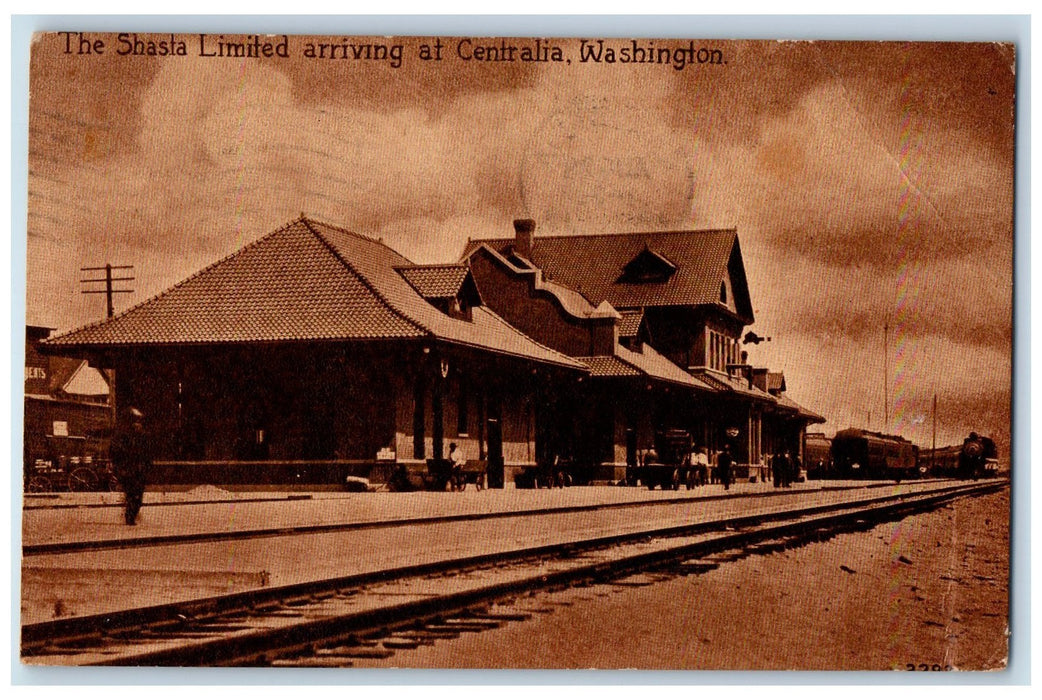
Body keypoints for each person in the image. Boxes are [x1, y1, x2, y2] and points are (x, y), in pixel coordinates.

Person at [109, 407, 152, 525]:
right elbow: (115, 452)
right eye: (135, 421)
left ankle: (132, 514)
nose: (137, 424)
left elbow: (148, 454)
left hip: (139, 471)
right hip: (128, 470)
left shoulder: (143, 437)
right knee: (132, 494)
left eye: (139, 421)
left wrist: (147, 468)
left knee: (138, 496)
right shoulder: (123, 436)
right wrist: (118, 468)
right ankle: (130, 517)